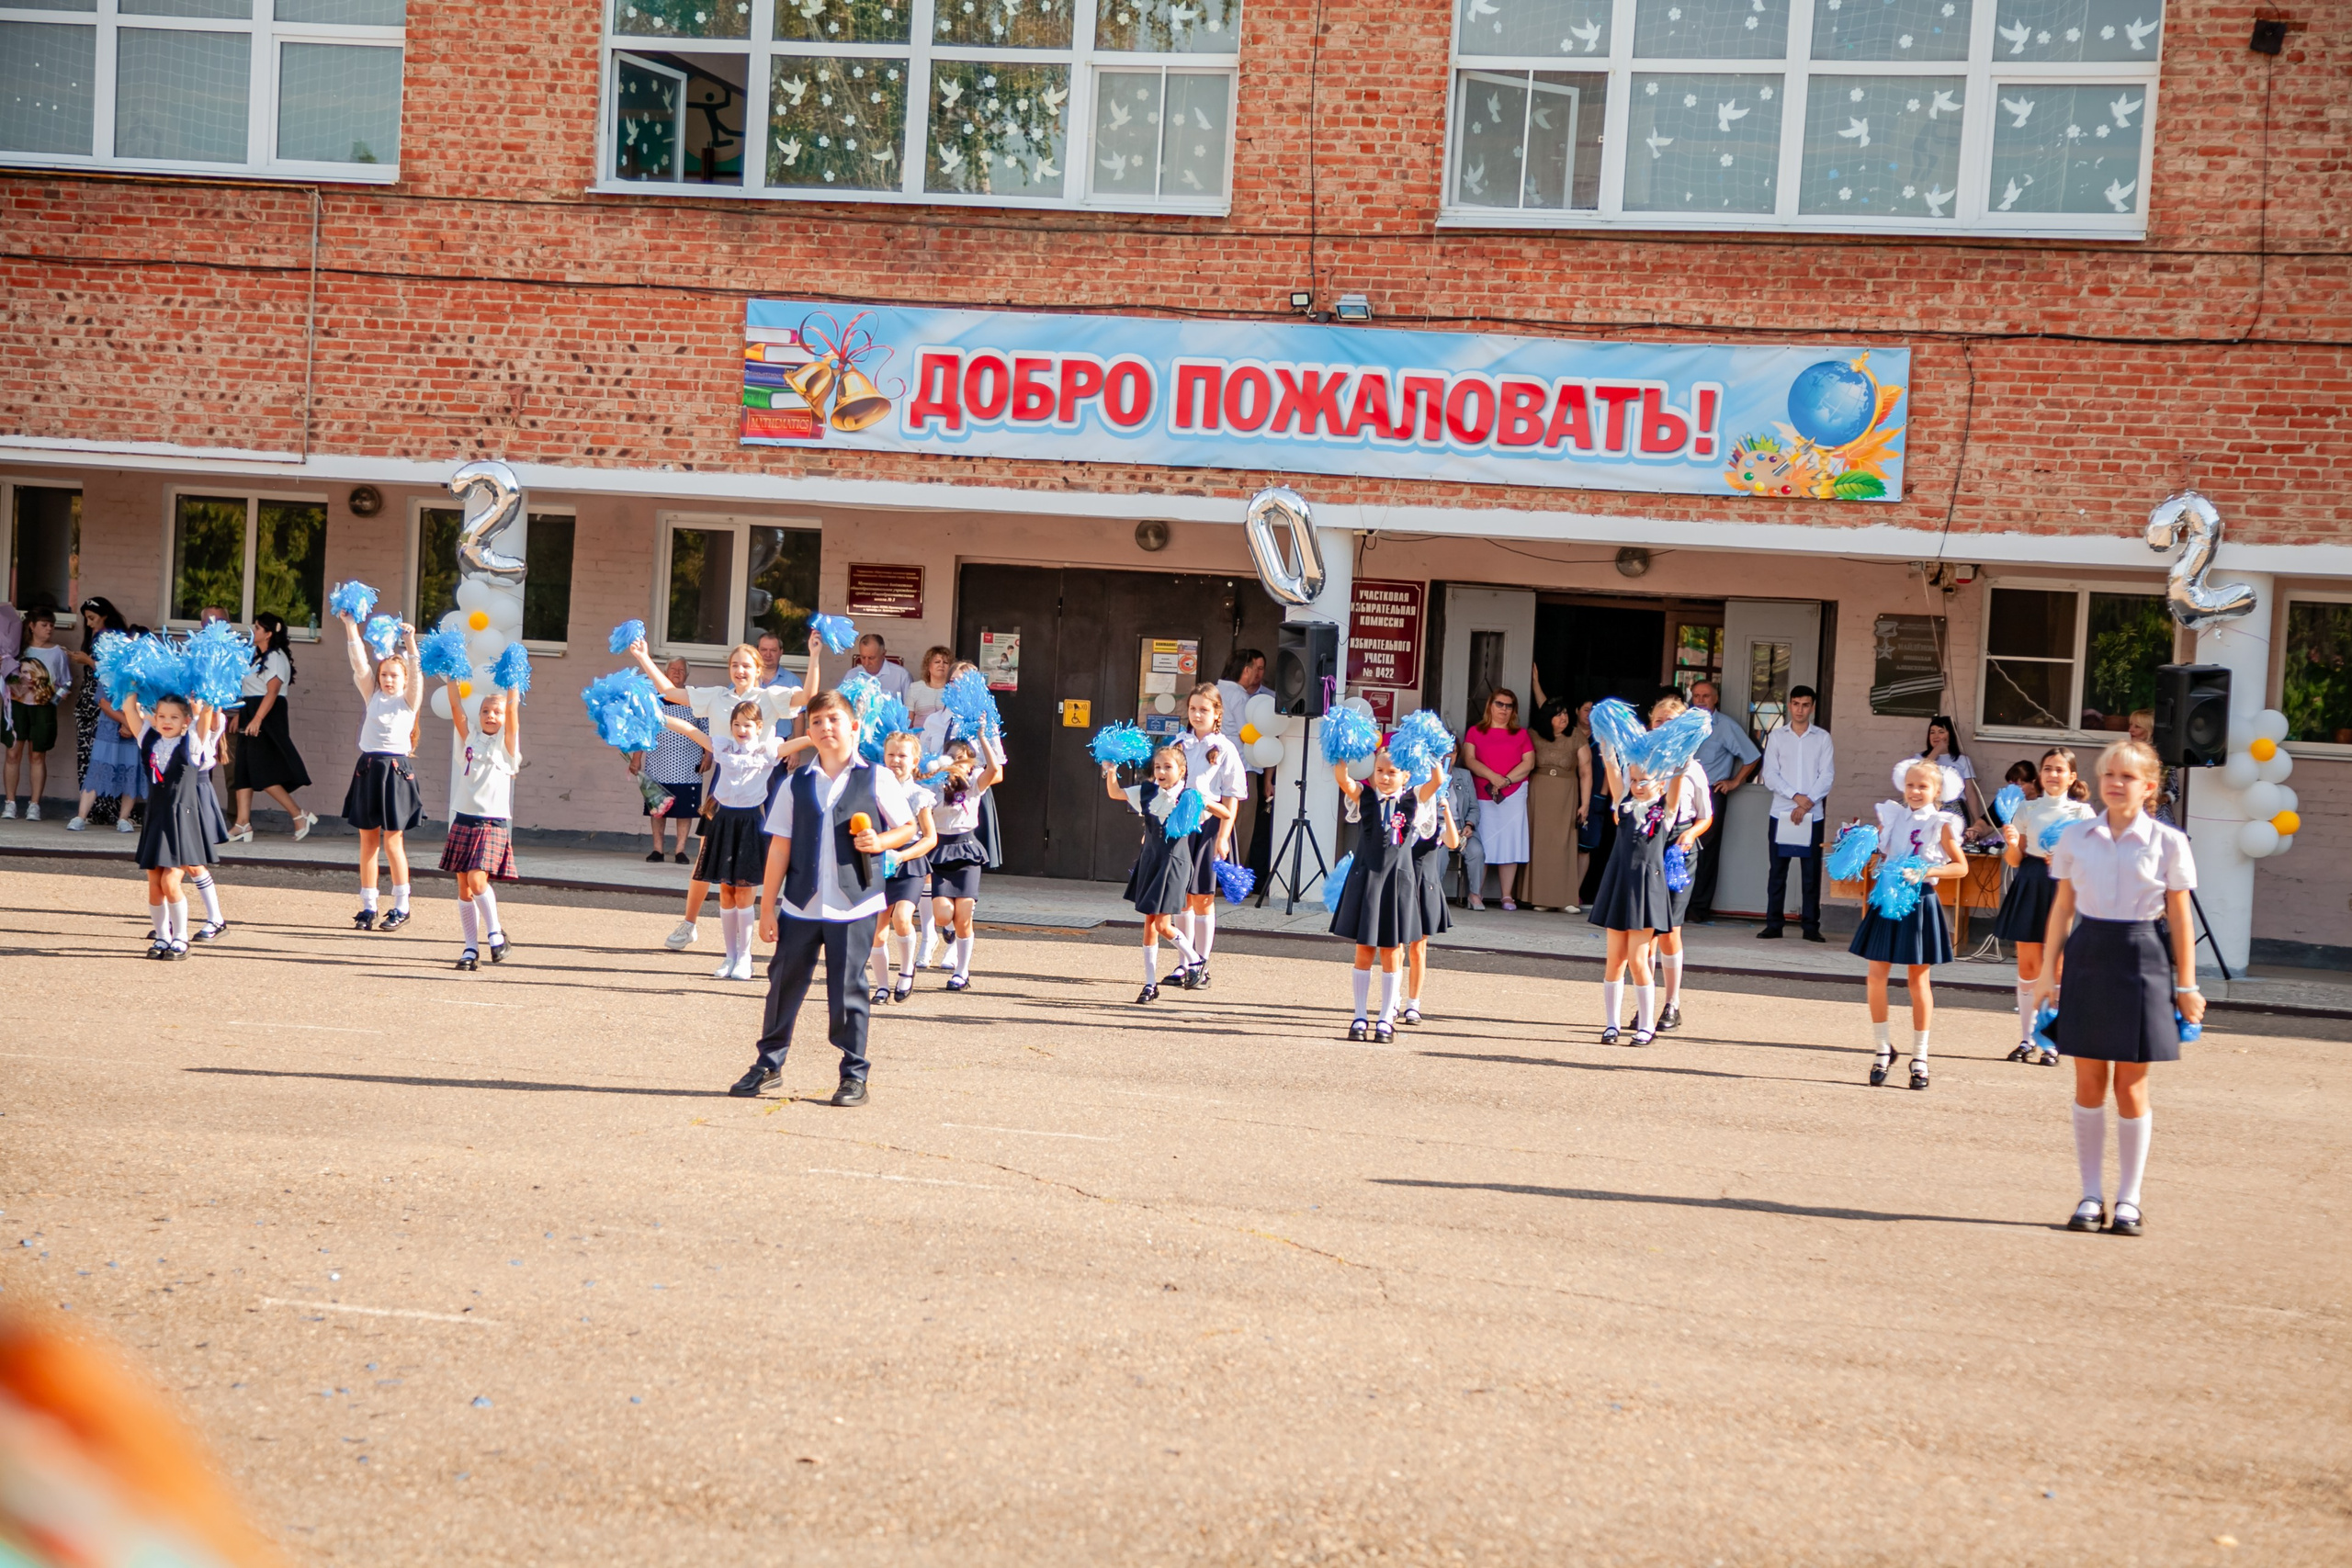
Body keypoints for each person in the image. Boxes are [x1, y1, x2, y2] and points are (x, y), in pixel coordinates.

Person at [2035, 739, 2205, 1237]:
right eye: (2110, 774)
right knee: (2088, 1083)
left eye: (2128, 777)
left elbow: (2178, 915)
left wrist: (2186, 985)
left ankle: (2129, 1200)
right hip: (2089, 955)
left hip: (2143, 958)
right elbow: (2063, 907)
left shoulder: (2169, 842)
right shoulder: (2076, 837)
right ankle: (2090, 1195)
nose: (2115, 783)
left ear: (2149, 787)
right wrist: (2049, 970)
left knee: (2130, 1085)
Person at [734, 690, 920, 1105]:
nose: (824, 728)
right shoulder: (797, 781)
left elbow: (907, 828)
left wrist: (880, 840)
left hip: (855, 903)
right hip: (801, 902)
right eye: (816, 722)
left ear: (853, 727)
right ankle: (768, 1064)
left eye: (833, 720)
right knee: (783, 984)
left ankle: (854, 1074)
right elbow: (780, 846)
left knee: (849, 988)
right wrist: (768, 907)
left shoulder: (876, 777)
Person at [661, 701, 810, 980]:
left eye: (748, 724)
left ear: (759, 727)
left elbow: (806, 739)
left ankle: (745, 957)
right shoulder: (722, 746)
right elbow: (690, 730)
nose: (742, 729)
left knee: (744, 891)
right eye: (737, 724)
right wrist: (655, 715)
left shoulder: (769, 750)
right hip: (722, 821)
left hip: (751, 821)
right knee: (726, 892)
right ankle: (729, 956)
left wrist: (832, 729)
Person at [1849, 758, 1969, 1090]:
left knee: (1918, 981)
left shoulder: (1942, 823)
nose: (1916, 791)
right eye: (1911, 785)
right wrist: (1859, 844)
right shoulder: (1894, 818)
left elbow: (1961, 868)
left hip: (1919, 901)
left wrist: (1926, 871)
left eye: (1923, 786)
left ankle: (1920, 1057)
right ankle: (1882, 1048)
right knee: (1875, 976)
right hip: (1887, 899)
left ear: (1937, 791)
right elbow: (1884, 855)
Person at [1586, 720, 1690, 1046]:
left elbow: (1677, 778)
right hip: (1618, 884)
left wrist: (1681, 754)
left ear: (1659, 782)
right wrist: (1605, 740)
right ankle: (1612, 1024)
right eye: (1634, 780)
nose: (1637, 785)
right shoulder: (1624, 805)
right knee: (1614, 959)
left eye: (1644, 780)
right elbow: (1611, 768)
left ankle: (1647, 1025)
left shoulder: (1666, 809)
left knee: (1638, 959)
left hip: (1646, 888)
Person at [1329, 746, 1442, 1042]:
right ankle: (1359, 1017)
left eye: (1392, 772)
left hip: (1396, 884)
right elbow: (1343, 778)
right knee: (1364, 950)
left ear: (1405, 775)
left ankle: (1384, 1020)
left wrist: (1433, 756)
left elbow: (1436, 782)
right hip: (1366, 881)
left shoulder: (1412, 799)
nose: (1384, 777)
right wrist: (1337, 748)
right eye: (1379, 771)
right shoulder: (1366, 798)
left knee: (1392, 952)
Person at [1993, 748, 2095, 1066]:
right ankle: (2026, 1039)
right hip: (2031, 881)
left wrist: (2069, 860)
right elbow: (2014, 860)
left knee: (2057, 969)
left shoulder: (2083, 814)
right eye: (2048, 768)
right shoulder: (2027, 808)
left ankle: (2051, 1042)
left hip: (2063, 887)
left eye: (2060, 770)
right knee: (2028, 967)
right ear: (2040, 774)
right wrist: (2010, 843)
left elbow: (2093, 861)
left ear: (2072, 777)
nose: (2053, 774)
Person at [121, 690, 232, 953]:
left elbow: (204, 716)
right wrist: (129, 680)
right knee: (154, 881)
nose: (166, 721)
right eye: (161, 716)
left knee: (171, 882)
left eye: (173, 716)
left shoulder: (192, 742)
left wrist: (202, 701)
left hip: (182, 822)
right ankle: (162, 937)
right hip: (156, 820)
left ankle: (180, 938)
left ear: (185, 721)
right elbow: (129, 709)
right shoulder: (148, 740)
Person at [338, 611, 424, 931]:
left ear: (402, 681)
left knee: (393, 843)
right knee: (368, 843)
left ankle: (402, 905)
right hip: (368, 769)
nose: (388, 680)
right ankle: (368, 906)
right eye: (384, 675)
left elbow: (416, 674)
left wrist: (410, 642)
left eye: (394, 676)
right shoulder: (371, 694)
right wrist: (350, 626)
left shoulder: (408, 701)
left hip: (395, 772)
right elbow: (360, 663)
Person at [1104, 742, 1208, 1003]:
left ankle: (1195, 960)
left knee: (1162, 924)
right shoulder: (1148, 791)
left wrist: (1207, 805)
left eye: (1168, 767)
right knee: (1149, 923)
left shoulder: (1189, 797)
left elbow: (1226, 811)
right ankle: (1150, 984)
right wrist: (1111, 769)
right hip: (1150, 861)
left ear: (1182, 771)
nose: (1161, 771)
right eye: (1158, 767)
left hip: (1174, 863)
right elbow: (1115, 793)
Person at [438, 679, 523, 971]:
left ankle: (496, 934)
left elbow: (513, 714)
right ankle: (470, 949)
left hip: (492, 822)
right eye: (486, 711)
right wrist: (451, 678)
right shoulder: (469, 739)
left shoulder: (507, 745)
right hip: (464, 819)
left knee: (477, 881)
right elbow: (455, 707)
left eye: (496, 712)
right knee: (464, 889)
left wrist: (513, 685)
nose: (490, 716)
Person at [1648, 694, 1714, 1032]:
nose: (1664, 727)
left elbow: (1706, 817)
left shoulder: (1692, 767)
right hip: (1648, 844)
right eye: (1659, 721)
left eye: (1671, 722)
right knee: (1644, 929)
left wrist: (1689, 837)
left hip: (1679, 846)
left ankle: (1672, 1004)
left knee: (1670, 929)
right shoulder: (1642, 761)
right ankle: (1644, 1003)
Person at [1174, 682, 1245, 988]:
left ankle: (1201, 964)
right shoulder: (1179, 743)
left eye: (1204, 709)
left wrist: (1223, 836)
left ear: (1217, 712)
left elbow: (1232, 795)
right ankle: (1184, 963)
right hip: (1178, 825)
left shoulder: (1226, 748)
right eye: (1192, 709)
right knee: (1180, 898)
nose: (1197, 714)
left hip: (1208, 826)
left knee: (1202, 896)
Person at [224, 612, 317, 842]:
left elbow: (272, 691)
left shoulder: (276, 656)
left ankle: (299, 814)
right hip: (250, 710)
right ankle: (242, 823)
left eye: (257, 628)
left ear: (268, 633)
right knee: (242, 770)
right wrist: (241, 715)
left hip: (266, 714)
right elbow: (250, 689)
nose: (253, 631)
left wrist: (256, 719)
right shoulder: (256, 656)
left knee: (261, 771)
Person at [924, 737, 1004, 991]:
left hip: (967, 851)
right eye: (953, 757)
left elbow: (994, 770)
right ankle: (948, 930)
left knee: (964, 918)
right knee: (943, 915)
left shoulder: (973, 785)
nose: (958, 762)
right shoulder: (934, 786)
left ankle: (962, 972)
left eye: (963, 758)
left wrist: (983, 738)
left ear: (971, 764)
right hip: (940, 851)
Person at [1757, 684, 1835, 942]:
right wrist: (1796, 798)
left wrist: (1808, 802)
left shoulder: (1822, 737)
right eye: (1796, 704)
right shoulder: (1778, 737)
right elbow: (1770, 774)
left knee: (1811, 873)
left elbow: (1827, 774)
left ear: (1812, 707)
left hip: (1813, 814)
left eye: (1805, 704)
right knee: (1777, 871)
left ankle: (1811, 927)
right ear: (1789, 705)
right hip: (1782, 812)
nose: (1800, 709)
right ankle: (1774, 924)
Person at [869, 729, 940, 1005]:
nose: (896, 760)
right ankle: (882, 987)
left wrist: (901, 857)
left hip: (909, 862)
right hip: (880, 860)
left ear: (915, 762)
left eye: (902, 755)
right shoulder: (874, 789)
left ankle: (907, 971)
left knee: (902, 919)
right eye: (891, 755)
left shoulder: (919, 795)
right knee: (877, 930)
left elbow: (930, 838)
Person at [1684, 678, 1759, 923]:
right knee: (1678, 847)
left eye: (1706, 696)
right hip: (1682, 793)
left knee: (1705, 852)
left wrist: (1735, 781)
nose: (1701, 701)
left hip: (1710, 793)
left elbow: (1751, 756)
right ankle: (1675, 905)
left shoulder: (1726, 726)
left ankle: (1697, 909)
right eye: (1696, 696)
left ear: (1715, 699)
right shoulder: (1682, 722)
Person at [1401, 750, 1463, 1025]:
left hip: (1425, 884)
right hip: (1401, 880)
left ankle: (1413, 1003)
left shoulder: (1437, 811)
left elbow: (1452, 842)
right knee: (1395, 945)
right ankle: (1391, 1002)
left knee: (1418, 948)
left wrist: (1447, 811)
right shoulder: (1403, 807)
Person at [1462, 688, 1534, 909]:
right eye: (1499, 704)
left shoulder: (1521, 734)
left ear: (1514, 710)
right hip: (1482, 793)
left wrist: (1506, 780)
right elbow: (1469, 760)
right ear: (1490, 706)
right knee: (1482, 843)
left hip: (1512, 795)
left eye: (1508, 705)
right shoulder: (1475, 731)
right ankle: (1477, 893)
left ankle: (1506, 895)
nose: (1503, 709)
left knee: (1510, 843)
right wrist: (1493, 776)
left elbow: (1528, 763)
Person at [630, 656, 706, 864]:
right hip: (657, 765)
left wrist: (708, 755)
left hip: (688, 767)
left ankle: (680, 850)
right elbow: (643, 732)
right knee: (658, 809)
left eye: (681, 669)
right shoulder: (653, 698)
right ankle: (658, 849)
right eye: (673, 669)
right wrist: (636, 759)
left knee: (684, 811)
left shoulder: (694, 698)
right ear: (665, 673)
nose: (677, 672)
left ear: (687, 675)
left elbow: (707, 729)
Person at [64, 598, 129, 829]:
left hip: (104, 702)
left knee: (100, 756)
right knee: (89, 755)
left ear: (105, 616)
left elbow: (116, 673)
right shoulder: (95, 636)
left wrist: (88, 661)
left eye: (92, 618)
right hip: (90, 699)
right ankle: (92, 809)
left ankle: (105, 808)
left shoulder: (113, 637)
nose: (89, 623)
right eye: (86, 619)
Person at [4, 607, 69, 819]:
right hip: (16, 706)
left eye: (51, 624)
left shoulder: (57, 652)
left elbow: (66, 682)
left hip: (43, 709)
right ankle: (10, 803)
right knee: (13, 753)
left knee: (37, 755)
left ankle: (34, 804)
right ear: (31, 626)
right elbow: (7, 677)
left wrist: (55, 698)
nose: (49, 628)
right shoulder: (17, 650)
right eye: (44, 624)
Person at [1521, 698, 1585, 912]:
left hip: (1566, 793)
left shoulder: (1576, 736)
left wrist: (1585, 804)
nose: (1563, 717)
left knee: (1563, 844)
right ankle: (1539, 898)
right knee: (1539, 843)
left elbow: (1586, 772)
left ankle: (1565, 899)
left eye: (1565, 713)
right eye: (1558, 714)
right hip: (1538, 792)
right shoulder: (1533, 734)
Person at [74, 656, 144, 835]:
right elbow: (104, 703)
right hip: (110, 729)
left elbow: (145, 705)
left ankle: (123, 818)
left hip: (133, 731)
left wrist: (131, 725)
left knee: (130, 771)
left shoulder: (142, 678)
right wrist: (128, 723)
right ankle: (81, 816)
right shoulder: (108, 675)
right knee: (97, 769)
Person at [1215, 647, 1269, 869]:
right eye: (1253, 669)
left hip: (1215, 767)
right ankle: (1233, 875)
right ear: (1245, 671)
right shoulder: (1239, 695)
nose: (1256, 675)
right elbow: (1248, 732)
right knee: (1241, 825)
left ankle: (1213, 874)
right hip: (1240, 769)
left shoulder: (1215, 690)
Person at [2125, 707, 2180, 824]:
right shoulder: (2125, 754)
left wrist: (2161, 799)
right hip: (2130, 816)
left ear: (2150, 730)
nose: (2130, 730)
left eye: (2137, 727)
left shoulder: (2163, 756)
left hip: (2158, 819)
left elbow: (2175, 792)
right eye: (2130, 725)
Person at [1442, 759, 1483, 907]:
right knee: (1439, 853)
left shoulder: (1464, 775)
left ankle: (1474, 894)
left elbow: (1474, 807)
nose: (1448, 756)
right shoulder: (1427, 773)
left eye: (1453, 751)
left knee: (1476, 850)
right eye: (1444, 751)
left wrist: (1469, 825)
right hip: (1438, 826)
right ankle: (1434, 893)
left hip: (1460, 827)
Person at [851, 633, 912, 700]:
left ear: (883, 654)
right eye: (863, 657)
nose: (866, 663)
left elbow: (910, 708)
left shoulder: (901, 676)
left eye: (871, 658)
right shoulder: (851, 675)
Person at [906, 646, 955, 724]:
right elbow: (908, 722)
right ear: (928, 666)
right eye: (937, 662)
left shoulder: (955, 690)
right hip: (919, 735)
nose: (941, 665)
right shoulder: (914, 687)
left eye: (945, 662)